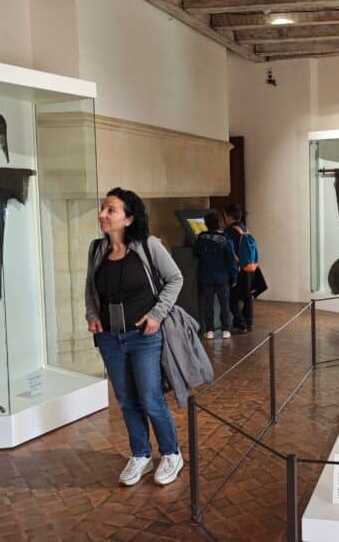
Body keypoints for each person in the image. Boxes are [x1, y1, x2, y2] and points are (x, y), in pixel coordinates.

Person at [85, 187, 185, 487]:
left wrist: (156, 315)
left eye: (111, 210)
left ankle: (171, 453)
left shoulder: (148, 246)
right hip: (110, 339)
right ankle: (140, 454)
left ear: (128, 218)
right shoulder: (96, 249)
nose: (103, 214)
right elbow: (90, 290)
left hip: (143, 337)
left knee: (151, 399)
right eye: (103, 208)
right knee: (126, 399)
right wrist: (92, 315)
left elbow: (175, 279)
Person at [193, 211, 238, 340]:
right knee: (224, 304)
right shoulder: (225, 238)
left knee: (208, 305)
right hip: (222, 278)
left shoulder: (202, 237)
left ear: (206, 224)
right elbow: (231, 260)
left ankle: (210, 330)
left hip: (206, 277)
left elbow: (196, 252)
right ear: (219, 223)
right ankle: (225, 330)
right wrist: (233, 277)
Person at [225, 204, 255, 333]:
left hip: (237, 269)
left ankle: (240, 324)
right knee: (247, 297)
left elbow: (228, 251)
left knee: (233, 300)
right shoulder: (245, 229)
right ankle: (248, 323)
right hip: (248, 267)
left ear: (228, 216)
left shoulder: (230, 231)